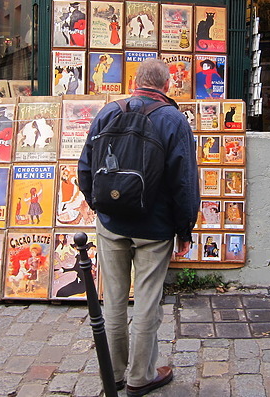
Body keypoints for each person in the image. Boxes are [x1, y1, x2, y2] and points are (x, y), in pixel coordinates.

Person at [78, 59, 199, 396]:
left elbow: (84, 169)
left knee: (114, 300)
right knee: (147, 302)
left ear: (134, 81)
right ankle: (140, 377)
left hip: (112, 225)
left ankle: (115, 373)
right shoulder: (174, 120)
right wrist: (184, 229)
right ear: (168, 84)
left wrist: (100, 208)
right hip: (155, 228)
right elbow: (184, 182)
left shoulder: (107, 112)